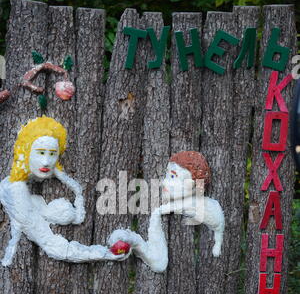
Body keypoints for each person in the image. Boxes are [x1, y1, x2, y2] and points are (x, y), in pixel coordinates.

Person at [0, 116, 129, 266]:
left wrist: (76, 191)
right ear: (27, 151)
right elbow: (56, 247)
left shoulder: (37, 175)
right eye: (41, 153)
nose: (47, 162)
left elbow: (73, 187)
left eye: (53, 153)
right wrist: (104, 254)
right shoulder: (18, 192)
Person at [108, 150, 224, 272]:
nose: (164, 182)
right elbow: (158, 263)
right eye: (168, 175)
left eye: (173, 176)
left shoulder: (206, 208)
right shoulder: (162, 211)